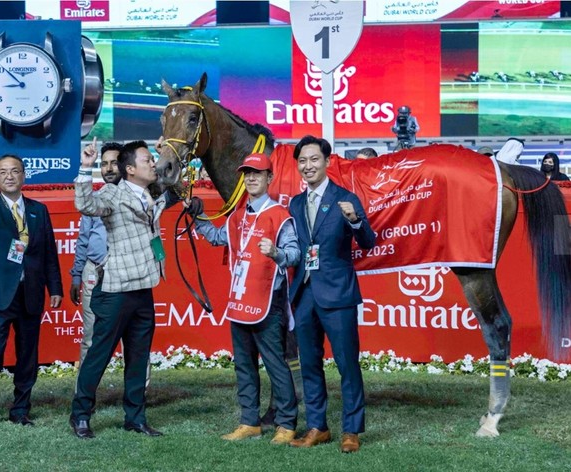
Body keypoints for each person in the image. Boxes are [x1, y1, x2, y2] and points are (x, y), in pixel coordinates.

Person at [187, 152, 300, 445]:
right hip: (239, 303)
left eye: (257, 173)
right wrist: (196, 215)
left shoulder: (280, 215)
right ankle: (250, 422)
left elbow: (295, 254)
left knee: (275, 364)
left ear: (269, 178)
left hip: (268, 302)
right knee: (244, 364)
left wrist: (276, 253)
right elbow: (217, 238)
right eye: (247, 173)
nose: (251, 178)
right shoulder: (238, 215)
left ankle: (287, 423)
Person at [70, 139, 171, 439]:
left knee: (138, 357)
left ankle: (135, 418)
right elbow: (86, 205)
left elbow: (174, 179)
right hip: (115, 290)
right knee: (99, 355)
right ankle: (80, 415)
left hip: (144, 287)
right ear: (130, 169)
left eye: (152, 159)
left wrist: (165, 152)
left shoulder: (152, 192)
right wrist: (85, 169)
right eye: (146, 159)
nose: (152, 163)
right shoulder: (113, 193)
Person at [286, 136, 376, 453]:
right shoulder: (295, 204)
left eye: (314, 159)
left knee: (347, 364)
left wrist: (355, 221)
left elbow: (368, 242)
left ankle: (351, 430)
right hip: (304, 294)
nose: (308, 166)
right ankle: (317, 427)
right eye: (302, 161)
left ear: (326, 162)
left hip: (338, 294)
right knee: (309, 364)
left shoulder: (345, 199)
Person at [0, 155, 63, 432]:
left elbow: (49, 253)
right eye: (2, 172)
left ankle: (20, 409)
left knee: (27, 354)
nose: (9, 176)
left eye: (15, 171)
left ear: (24, 175)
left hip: (30, 291)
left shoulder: (38, 210)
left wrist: (55, 287)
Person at [70, 142, 122, 371]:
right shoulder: (93, 200)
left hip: (126, 272)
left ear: (127, 165)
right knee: (90, 335)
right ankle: (84, 388)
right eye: (105, 164)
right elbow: (83, 240)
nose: (109, 168)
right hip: (94, 271)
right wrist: (76, 276)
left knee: (132, 339)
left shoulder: (139, 197)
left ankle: (138, 389)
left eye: (115, 163)